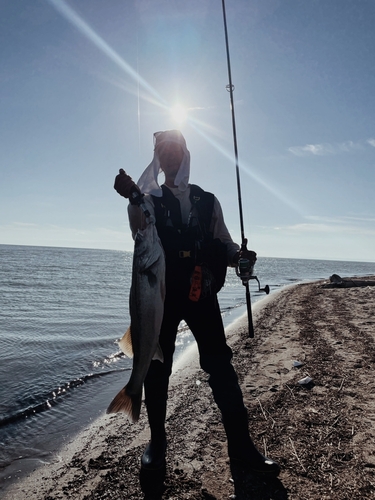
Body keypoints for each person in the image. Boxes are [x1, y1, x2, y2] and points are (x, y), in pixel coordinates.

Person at [114, 130, 280, 476]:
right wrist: (132, 194)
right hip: (162, 298)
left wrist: (240, 257)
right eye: (164, 152)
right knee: (158, 370)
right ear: (158, 159)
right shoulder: (148, 200)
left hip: (201, 294)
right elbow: (139, 227)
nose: (171, 157)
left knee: (221, 368)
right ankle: (157, 444)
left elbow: (224, 242)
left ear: (186, 155)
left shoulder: (207, 200)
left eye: (176, 150)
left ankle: (242, 448)